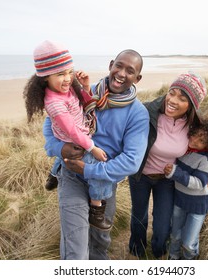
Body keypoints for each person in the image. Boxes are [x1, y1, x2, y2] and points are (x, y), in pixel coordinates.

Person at [43, 49, 149, 259]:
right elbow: (51, 124)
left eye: (130, 71)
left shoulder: (137, 113)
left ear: (137, 78)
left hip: (104, 183)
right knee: (76, 249)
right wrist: (59, 149)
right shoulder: (83, 92)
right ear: (111, 65)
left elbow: (131, 162)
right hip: (72, 176)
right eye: (119, 65)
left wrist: (90, 169)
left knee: (100, 242)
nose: (121, 73)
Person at [23, 40, 112, 230]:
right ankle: (96, 210)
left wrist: (86, 85)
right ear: (45, 77)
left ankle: (54, 174)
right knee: (99, 171)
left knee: (67, 157)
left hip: (73, 134)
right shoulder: (54, 103)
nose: (67, 78)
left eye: (69, 72)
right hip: (76, 139)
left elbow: (82, 103)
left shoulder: (67, 88)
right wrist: (93, 148)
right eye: (60, 74)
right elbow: (72, 131)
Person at [128, 72, 207, 259]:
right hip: (140, 175)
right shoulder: (147, 112)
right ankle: (137, 250)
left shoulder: (195, 125)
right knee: (139, 217)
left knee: (163, 225)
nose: (173, 100)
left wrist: (206, 174)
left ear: (192, 106)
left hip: (168, 179)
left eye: (182, 98)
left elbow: (207, 150)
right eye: (172, 92)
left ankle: (158, 251)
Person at [164, 117, 208, 260]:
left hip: (197, 205)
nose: (195, 141)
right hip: (179, 201)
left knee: (188, 242)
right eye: (195, 135)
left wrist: (175, 173)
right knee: (175, 235)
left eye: (202, 141)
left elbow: (199, 183)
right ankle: (173, 257)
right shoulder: (183, 148)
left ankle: (189, 260)